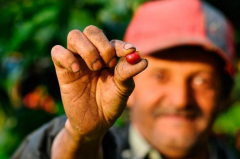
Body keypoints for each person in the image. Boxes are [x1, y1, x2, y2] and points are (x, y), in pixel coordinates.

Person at [12, 0, 238, 159]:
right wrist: (82, 137)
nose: (180, 100)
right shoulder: (100, 149)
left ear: (224, 95)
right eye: (160, 76)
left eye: (202, 81)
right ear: (128, 85)